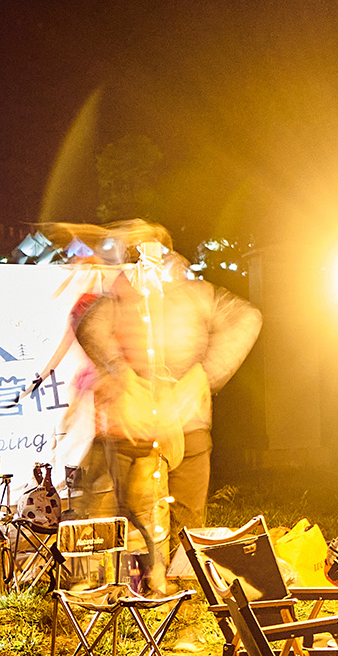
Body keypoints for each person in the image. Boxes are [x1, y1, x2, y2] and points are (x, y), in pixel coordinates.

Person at [70, 223, 260, 588]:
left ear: (167, 252)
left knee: (189, 518)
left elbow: (247, 318)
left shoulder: (195, 293)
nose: (142, 257)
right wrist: (122, 373)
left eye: (149, 248)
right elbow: (88, 325)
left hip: (186, 426)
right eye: (134, 250)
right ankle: (113, 584)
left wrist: (203, 374)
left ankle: (184, 607)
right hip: (130, 427)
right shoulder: (120, 296)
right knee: (117, 511)